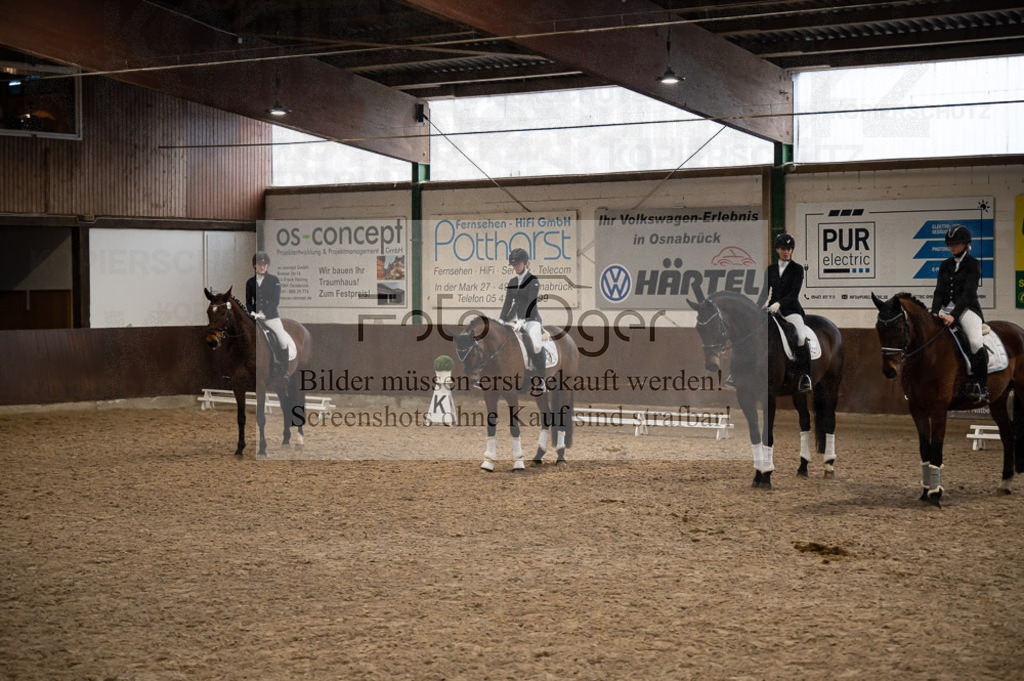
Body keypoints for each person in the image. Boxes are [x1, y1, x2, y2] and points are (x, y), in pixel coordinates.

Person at [931, 224, 987, 401]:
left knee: (975, 341)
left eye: (955, 243)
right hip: (946, 309)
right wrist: (934, 312)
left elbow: (969, 293)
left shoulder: (973, 264)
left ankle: (981, 386)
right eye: (949, 244)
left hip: (967, 310)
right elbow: (939, 290)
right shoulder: (945, 265)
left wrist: (953, 315)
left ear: (966, 244)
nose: (951, 247)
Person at [764, 233, 812, 393]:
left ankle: (805, 376)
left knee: (800, 337)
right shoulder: (770, 269)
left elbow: (794, 293)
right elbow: (764, 294)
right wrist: (758, 307)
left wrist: (779, 303)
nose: (786, 251)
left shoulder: (797, 269)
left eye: (789, 248)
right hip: (771, 310)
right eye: (783, 248)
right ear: (777, 249)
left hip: (791, 310)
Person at [499, 248, 545, 391]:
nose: (516, 267)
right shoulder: (512, 281)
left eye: (518, 264)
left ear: (525, 263)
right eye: (514, 265)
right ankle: (521, 376)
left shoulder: (533, 280)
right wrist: (501, 319)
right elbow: (507, 302)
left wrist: (523, 320)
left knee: (536, 345)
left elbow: (532, 302)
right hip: (513, 318)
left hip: (531, 318)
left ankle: (542, 378)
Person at [245, 250, 293, 380]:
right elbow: (248, 302)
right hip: (255, 317)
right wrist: (252, 312)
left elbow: (275, 301)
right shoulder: (250, 282)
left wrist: (265, 314)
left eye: (264, 264)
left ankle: (284, 370)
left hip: (271, 316)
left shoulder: (274, 280)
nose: (262, 266)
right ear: (254, 265)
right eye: (259, 264)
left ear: (267, 265)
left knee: (282, 339)